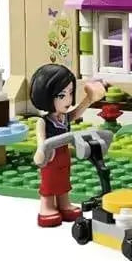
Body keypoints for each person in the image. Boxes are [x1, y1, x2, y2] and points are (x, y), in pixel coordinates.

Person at [30, 64, 105, 227]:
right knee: (49, 182)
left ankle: (64, 203)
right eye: (61, 95)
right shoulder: (43, 121)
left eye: (70, 93)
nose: (68, 100)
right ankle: (47, 206)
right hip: (51, 157)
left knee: (64, 181)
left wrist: (89, 99)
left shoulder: (64, 118)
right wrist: (41, 151)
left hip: (64, 155)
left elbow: (76, 112)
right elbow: (41, 140)